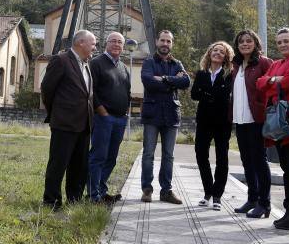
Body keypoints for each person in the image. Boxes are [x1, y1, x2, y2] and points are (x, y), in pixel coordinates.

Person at [256, 28, 289, 231]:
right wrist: (273, 81)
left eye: (286, 41)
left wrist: (274, 82)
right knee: (287, 169)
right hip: (277, 125)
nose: (282, 45)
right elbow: (260, 83)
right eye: (279, 42)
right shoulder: (276, 64)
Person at [41, 29, 97, 210]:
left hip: (84, 124)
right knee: (58, 164)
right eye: (93, 44)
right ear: (81, 43)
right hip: (64, 123)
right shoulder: (61, 60)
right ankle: (52, 201)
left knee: (79, 166)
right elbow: (47, 89)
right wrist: (57, 112)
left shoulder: (86, 64)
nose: (95, 48)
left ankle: (74, 199)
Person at [140, 30, 190, 204]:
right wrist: (172, 81)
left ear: (172, 44)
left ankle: (166, 191)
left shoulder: (177, 63)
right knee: (148, 154)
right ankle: (147, 190)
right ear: (157, 41)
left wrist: (163, 79)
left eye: (169, 41)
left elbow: (186, 82)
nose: (165, 44)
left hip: (171, 115)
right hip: (152, 115)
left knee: (168, 155)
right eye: (163, 40)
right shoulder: (148, 62)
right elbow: (148, 81)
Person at [231, 29, 273, 218]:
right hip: (240, 120)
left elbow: (270, 88)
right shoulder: (236, 65)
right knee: (246, 161)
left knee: (259, 161)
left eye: (248, 41)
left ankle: (264, 203)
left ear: (255, 43)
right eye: (241, 42)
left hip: (257, 119)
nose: (245, 44)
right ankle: (252, 199)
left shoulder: (263, 62)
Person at [190, 41, 234, 211]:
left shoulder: (229, 75)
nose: (217, 53)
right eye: (215, 50)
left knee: (222, 157)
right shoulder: (201, 74)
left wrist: (207, 93)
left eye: (221, 52)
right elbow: (194, 95)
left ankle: (217, 196)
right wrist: (212, 93)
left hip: (223, 122)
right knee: (201, 154)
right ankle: (207, 192)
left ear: (226, 57)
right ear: (209, 53)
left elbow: (224, 95)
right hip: (203, 121)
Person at [87, 32, 131, 204]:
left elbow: (127, 91)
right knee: (98, 156)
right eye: (113, 41)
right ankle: (92, 195)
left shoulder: (124, 67)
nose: (116, 45)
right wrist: (102, 111)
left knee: (111, 158)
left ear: (123, 46)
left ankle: (101, 190)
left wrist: (126, 112)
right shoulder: (96, 63)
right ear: (106, 43)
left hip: (120, 119)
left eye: (120, 42)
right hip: (103, 118)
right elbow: (91, 90)